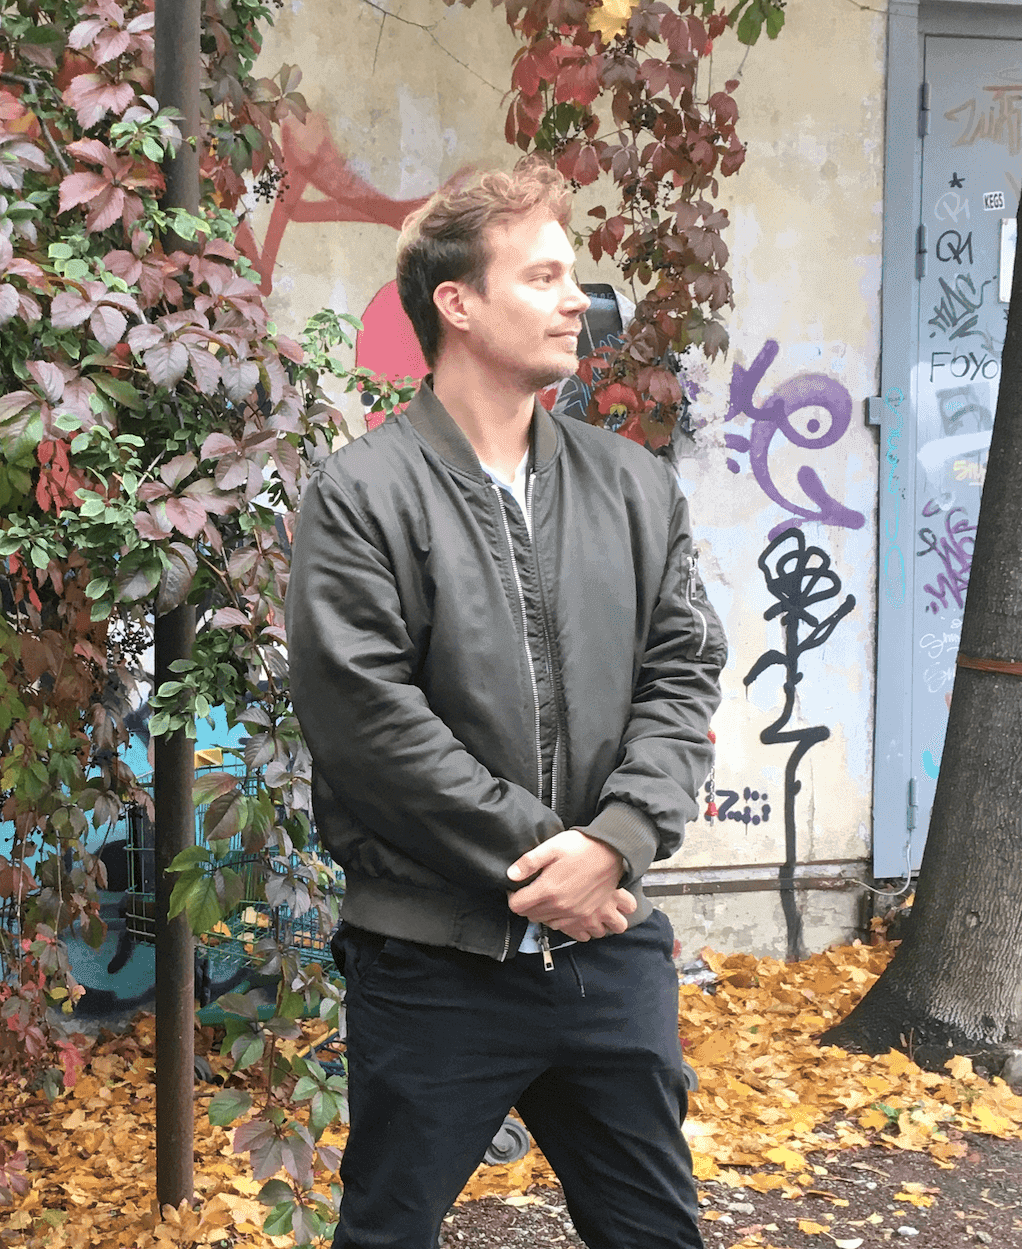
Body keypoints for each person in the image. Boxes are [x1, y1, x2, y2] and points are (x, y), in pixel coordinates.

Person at [286, 158, 724, 1249]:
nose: (577, 300)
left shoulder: (635, 487)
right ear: (458, 303)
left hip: (609, 954)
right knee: (387, 1235)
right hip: (433, 959)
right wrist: (551, 865)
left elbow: (682, 673)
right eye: (542, 276)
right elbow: (367, 722)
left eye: (572, 276)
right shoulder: (362, 494)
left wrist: (615, 845)